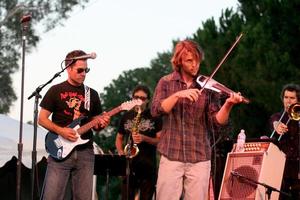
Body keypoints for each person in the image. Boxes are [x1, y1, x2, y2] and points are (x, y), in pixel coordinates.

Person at [151, 40, 244, 200]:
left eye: (197, 61)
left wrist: (228, 105)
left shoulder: (207, 87)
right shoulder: (165, 82)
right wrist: (177, 95)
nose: (195, 65)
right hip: (171, 155)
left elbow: (216, 121)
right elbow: (156, 110)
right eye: (189, 61)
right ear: (179, 61)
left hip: (199, 157)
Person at [38, 50, 110, 200]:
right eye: (80, 70)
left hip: (85, 152)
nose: (84, 73)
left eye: (86, 70)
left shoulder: (92, 94)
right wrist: (62, 131)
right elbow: (42, 119)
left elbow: (96, 124)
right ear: (68, 68)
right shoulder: (55, 90)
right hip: (59, 150)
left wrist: (102, 124)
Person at [115, 85, 162, 200]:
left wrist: (144, 138)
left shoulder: (155, 116)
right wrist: (120, 151)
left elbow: (161, 141)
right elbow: (119, 138)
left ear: (148, 100)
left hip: (148, 165)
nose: (139, 100)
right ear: (132, 98)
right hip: (129, 165)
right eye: (136, 97)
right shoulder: (126, 116)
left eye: (143, 98)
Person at [269, 83, 300, 199]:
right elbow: (275, 122)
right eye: (286, 97)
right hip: (282, 167)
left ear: (298, 100)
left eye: (292, 98)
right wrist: (276, 126)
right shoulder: (276, 117)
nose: (288, 101)